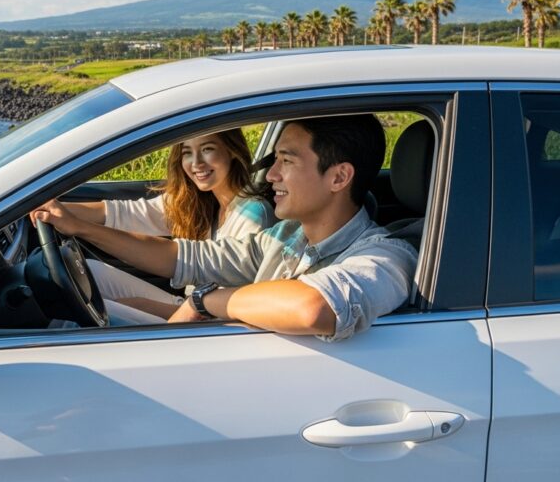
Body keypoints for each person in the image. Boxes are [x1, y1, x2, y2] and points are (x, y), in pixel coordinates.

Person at [33, 114, 419, 341]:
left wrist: (202, 301)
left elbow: (313, 307)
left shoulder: (386, 256)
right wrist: (80, 227)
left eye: (286, 161)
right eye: (274, 160)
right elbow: (185, 257)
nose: (271, 175)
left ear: (339, 177)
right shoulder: (286, 236)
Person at [58, 129, 275, 319]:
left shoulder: (254, 215)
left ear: (232, 151)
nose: (196, 163)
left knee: (104, 310)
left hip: (209, 323)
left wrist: (148, 307)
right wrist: (53, 208)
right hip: (191, 304)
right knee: (88, 271)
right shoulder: (202, 200)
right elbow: (127, 213)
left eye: (207, 149)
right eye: (187, 152)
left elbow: (233, 307)